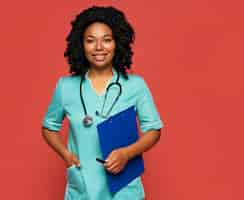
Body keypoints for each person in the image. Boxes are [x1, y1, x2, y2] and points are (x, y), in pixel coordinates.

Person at [41, 6, 163, 200]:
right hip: (83, 187)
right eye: (91, 41)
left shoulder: (135, 86)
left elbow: (154, 130)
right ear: (81, 45)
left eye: (107, 40)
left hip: (124, 189)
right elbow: (49, 126)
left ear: (117, 43)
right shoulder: (66, 87)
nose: (99, 47)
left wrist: (127, 154)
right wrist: (66, 155)